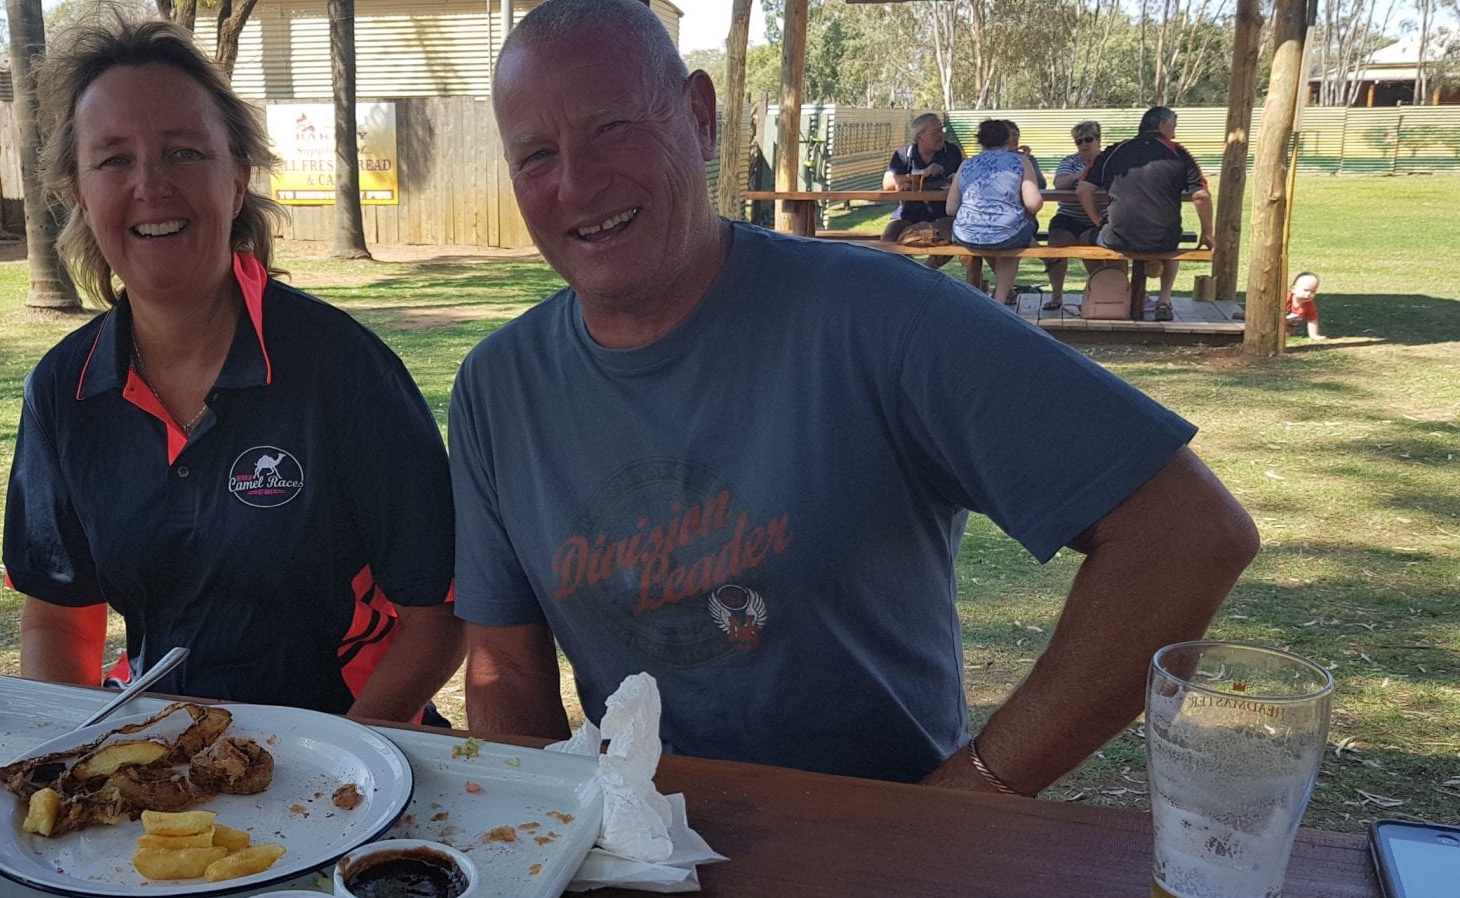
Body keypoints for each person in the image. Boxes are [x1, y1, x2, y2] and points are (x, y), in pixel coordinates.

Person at [452, 0, 1259, 793]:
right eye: (536, 156)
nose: (577, 184)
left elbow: (1187, 534)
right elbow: (504, 672)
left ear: (699, 117)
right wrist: (547, 836)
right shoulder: (498, 388)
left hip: (883, 843)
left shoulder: (880, 316)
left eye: (611, 128)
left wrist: (974, 797)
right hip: (637, 848)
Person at [2, 11, 463, 723]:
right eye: (114, 160)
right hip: (164, 749)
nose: (150, 184)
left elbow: (439, 618)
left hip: (357, 744)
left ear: (239, 177)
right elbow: (59, 619)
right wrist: (74, 753)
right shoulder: (63, 391)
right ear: (81, 195)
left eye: (183, 152)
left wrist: (341, 762)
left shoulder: (344, 369)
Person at [1075, 106, 1213, 323]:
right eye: (1173, 127)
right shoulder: (1178, 153)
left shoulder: (1114, 151)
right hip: (1164, 238)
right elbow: (1201, 196)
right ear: (1162, 125)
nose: (1174, 133)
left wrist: (1097, 221)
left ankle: (1120, 290)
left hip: (1117, 236)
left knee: (1085, 239)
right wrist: (1208, 232)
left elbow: (1083, 190)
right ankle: (1164, 300)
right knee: (1173, 246)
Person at [947, 119, 1043, 305]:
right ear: (1007, 138)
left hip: (965, 234)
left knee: (1002, 236)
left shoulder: (966, 164)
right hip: (1004, 234)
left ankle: (998, 297)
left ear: (980, 140)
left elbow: (950, 208)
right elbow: (1033, 204)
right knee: (1011, 240)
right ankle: (1000, 299)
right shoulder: (1020, 161)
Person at [880, 112, 964, 268]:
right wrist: (916, 176)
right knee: (888, 240)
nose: (941, 135)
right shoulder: (903, 154)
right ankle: (912, 272)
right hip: (907, 214)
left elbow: (958, 182)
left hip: (943, 214)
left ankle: (926, 272)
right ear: (920, 137)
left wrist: (941, 176)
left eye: (941, 130)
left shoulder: (952, 152)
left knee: (952, 235)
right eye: (935, 132)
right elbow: (887, 183)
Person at [1043, 121, 1109, 312]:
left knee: (1089, 245)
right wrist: (1084, 174)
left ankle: (1101, 293)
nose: (1083, 145)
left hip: (1100, 218)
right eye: (1079, 141)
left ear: (1098, 140)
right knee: (1056, 243)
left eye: (1088, 139)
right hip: (1070, 215)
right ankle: (1056, 295)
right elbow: (1059, 183)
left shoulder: (1108, 161)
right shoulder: (1069, 161)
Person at [1286, 271, 1325, 339]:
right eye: (1306, 290)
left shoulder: (1310, 306)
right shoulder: (1285, 298)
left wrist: (1313, 335)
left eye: (1313, 291)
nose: (1309, 294)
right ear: (1293, 289)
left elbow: (1312, 320)